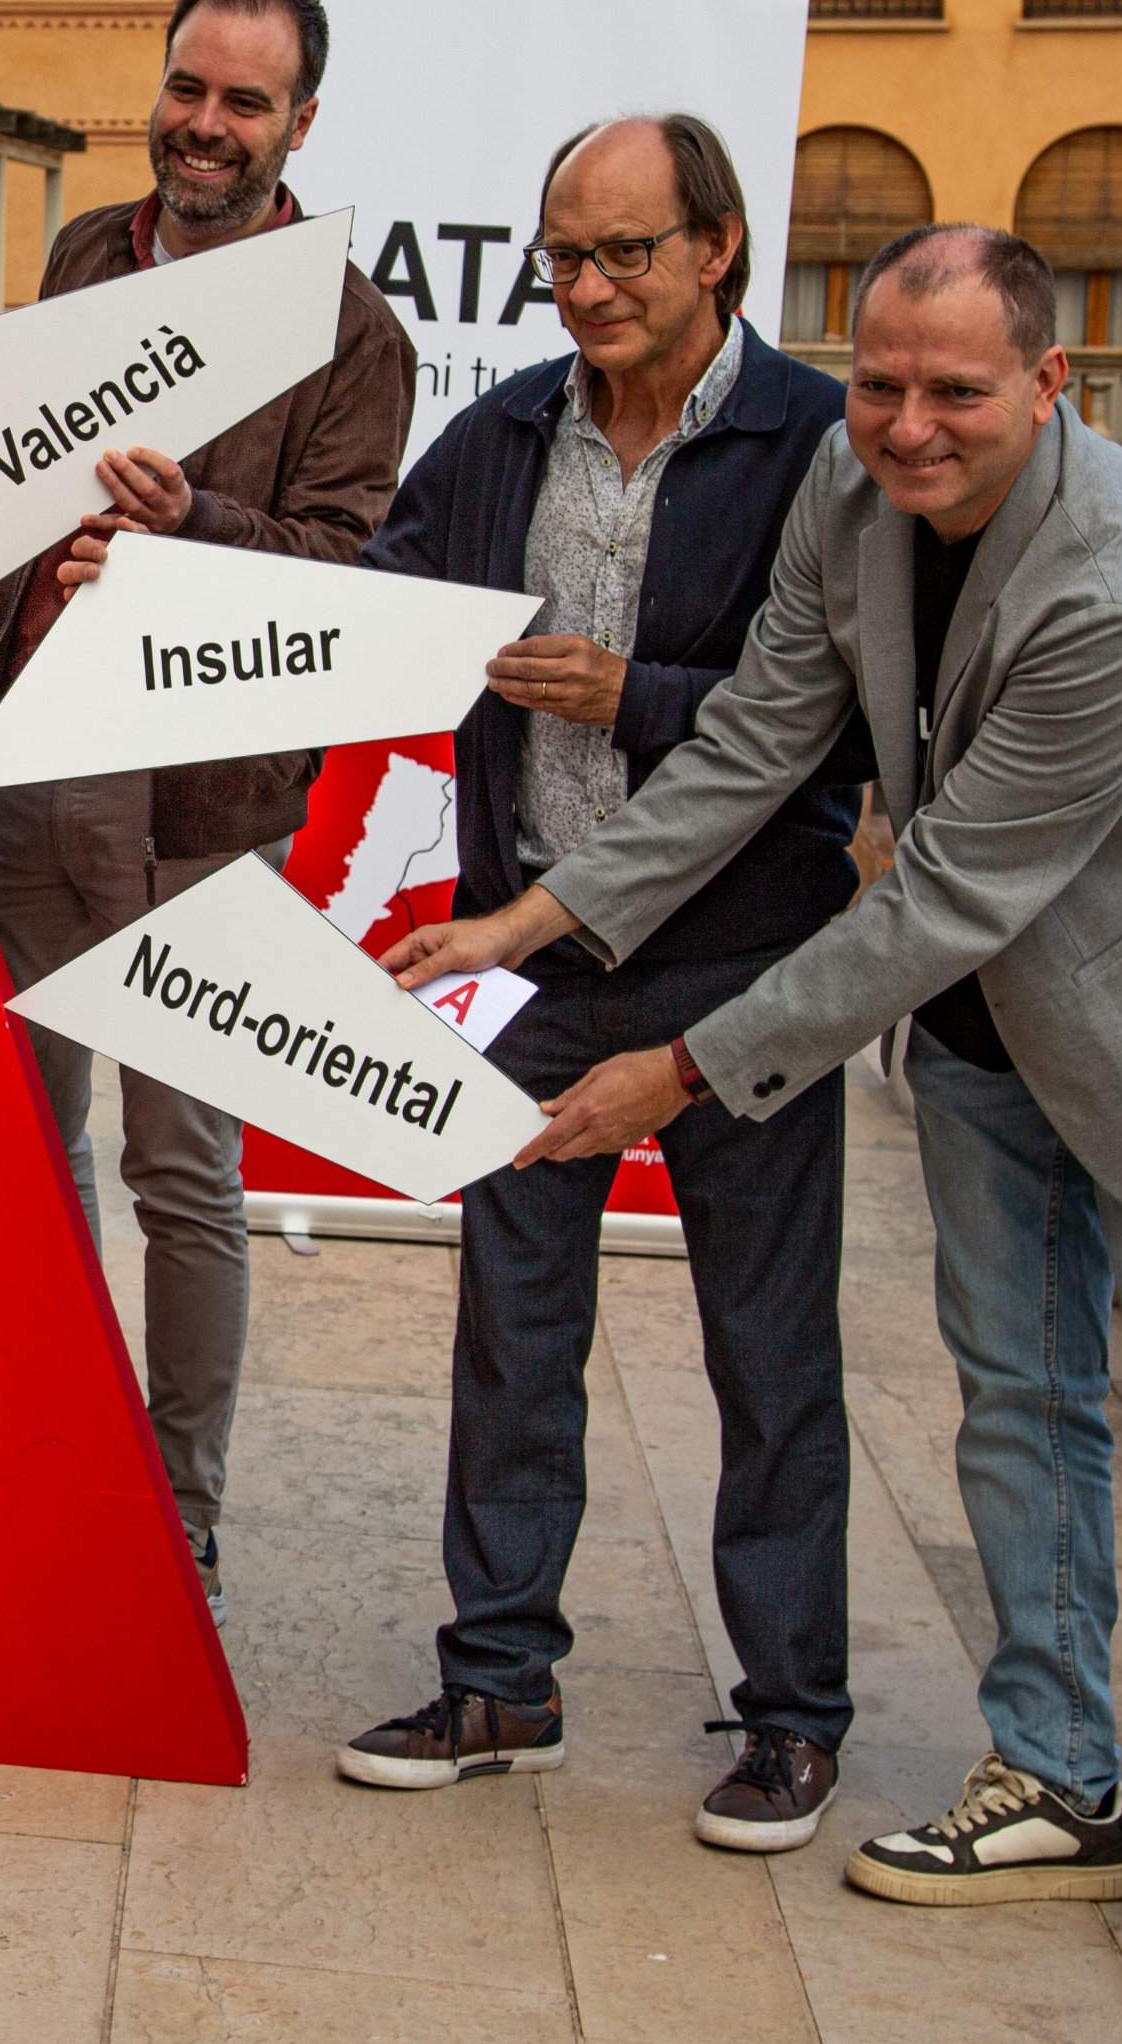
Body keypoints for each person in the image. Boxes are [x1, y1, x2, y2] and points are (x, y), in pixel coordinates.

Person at [386, 222, 1122, 2018]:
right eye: (885, 381)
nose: (907, 427)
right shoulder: (850, 479)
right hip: (993, 1042)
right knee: (1021, 1412)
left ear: (1051, 388)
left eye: (957, 393)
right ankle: (1059, 1780)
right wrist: (538, 920)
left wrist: (671, 1068)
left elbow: (937, 898)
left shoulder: (1120, 587)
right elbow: (761, 736)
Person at [337, 116, 864, 1854]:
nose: (588, 286)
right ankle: (501, 1679)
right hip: (539, 943)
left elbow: (837, 726)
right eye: (564, 254)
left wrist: (635, 694)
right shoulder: (501, 432)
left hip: (746, 964)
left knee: (768, 1354)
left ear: (717, 248)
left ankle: (791, 1716)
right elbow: (384, 603)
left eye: (627, 252)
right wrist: (188, 543)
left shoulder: (820, 446)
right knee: (513, 1336)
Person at [0, 0, 417, 1622]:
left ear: (300, 124)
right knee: (26, 1145)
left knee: (183, 1169)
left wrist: (189, 524)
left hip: (206, 807)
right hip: (32, 775)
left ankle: (181, 1508)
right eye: (188, 89)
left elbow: (346, 570)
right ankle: (54, 1449)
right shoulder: (88, 251)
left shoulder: (357, 330)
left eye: (243, 103)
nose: (204, 127)